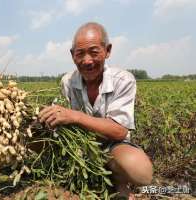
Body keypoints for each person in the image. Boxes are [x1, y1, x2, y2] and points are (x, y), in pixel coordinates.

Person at [39, 22, 153, 199]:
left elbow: (119, 131)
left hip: (112, 146)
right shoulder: (67, 82)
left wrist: (75, 116)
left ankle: (117, 178)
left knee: (140, 171)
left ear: (107, 51)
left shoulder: (123, 80)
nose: (87, 61)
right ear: (72, 55)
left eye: (94, 52)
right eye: (80, 54)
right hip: (78, 147)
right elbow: (59, 119)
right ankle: (98, 179)